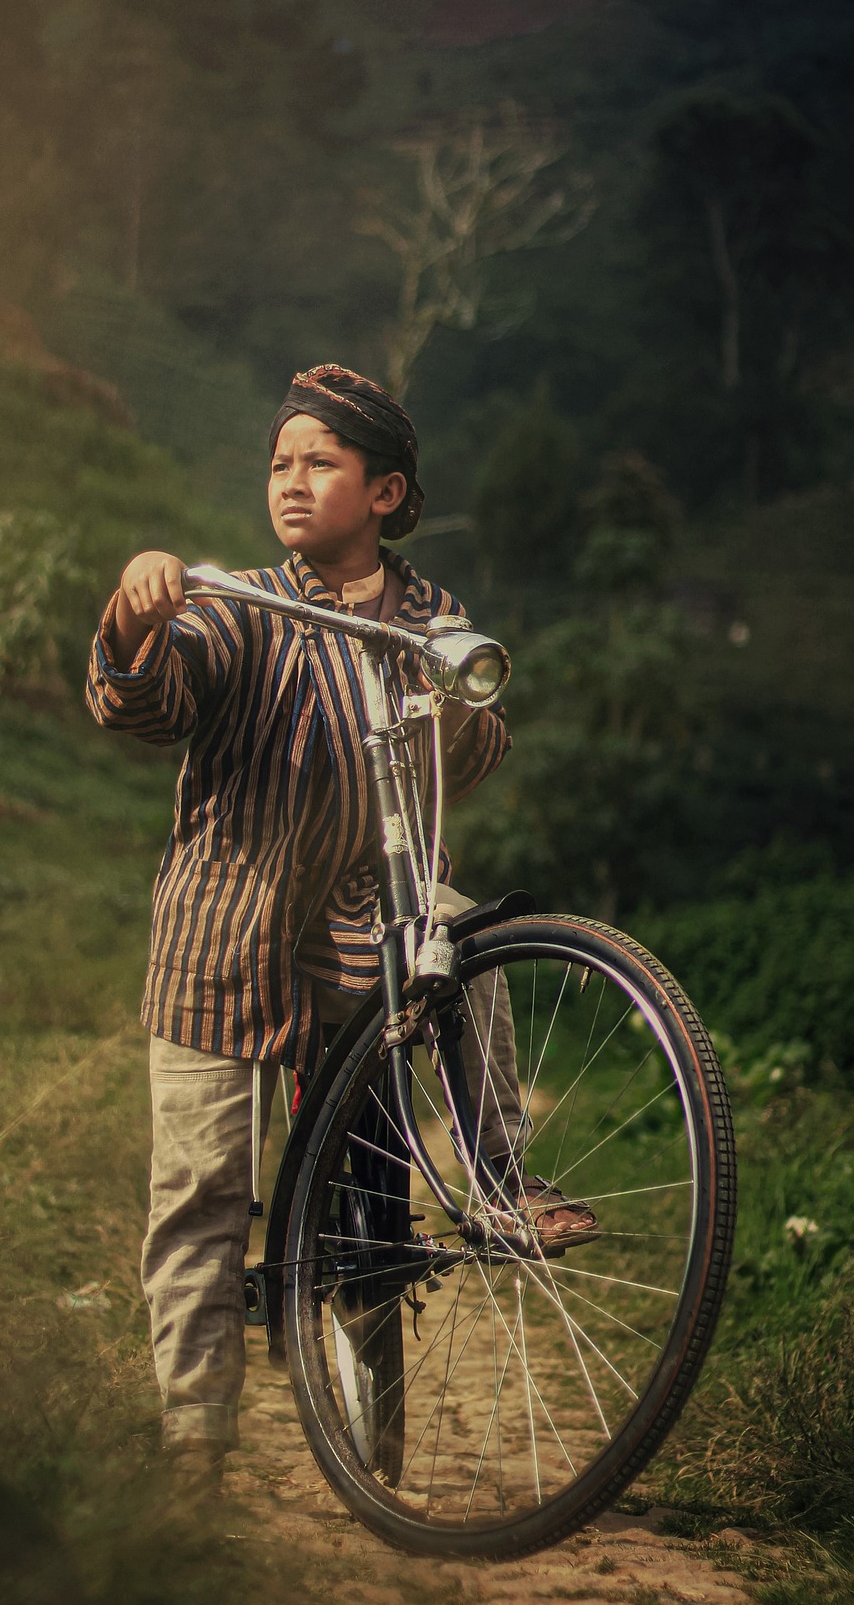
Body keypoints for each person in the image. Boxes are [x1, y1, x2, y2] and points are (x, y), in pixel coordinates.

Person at [86, 363, 596, 1492]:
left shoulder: (433, 621)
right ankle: (194, 1444)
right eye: (280, 463)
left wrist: (449, 702)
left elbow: (476, 744)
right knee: (202, 1200)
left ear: (385, 494)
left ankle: (496, 1182)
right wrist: (137, 612)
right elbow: (155, 697)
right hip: (222, 944)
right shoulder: (235, 604)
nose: (293, 481)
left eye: (321, 462)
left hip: (372, 945)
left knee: (451, 957)